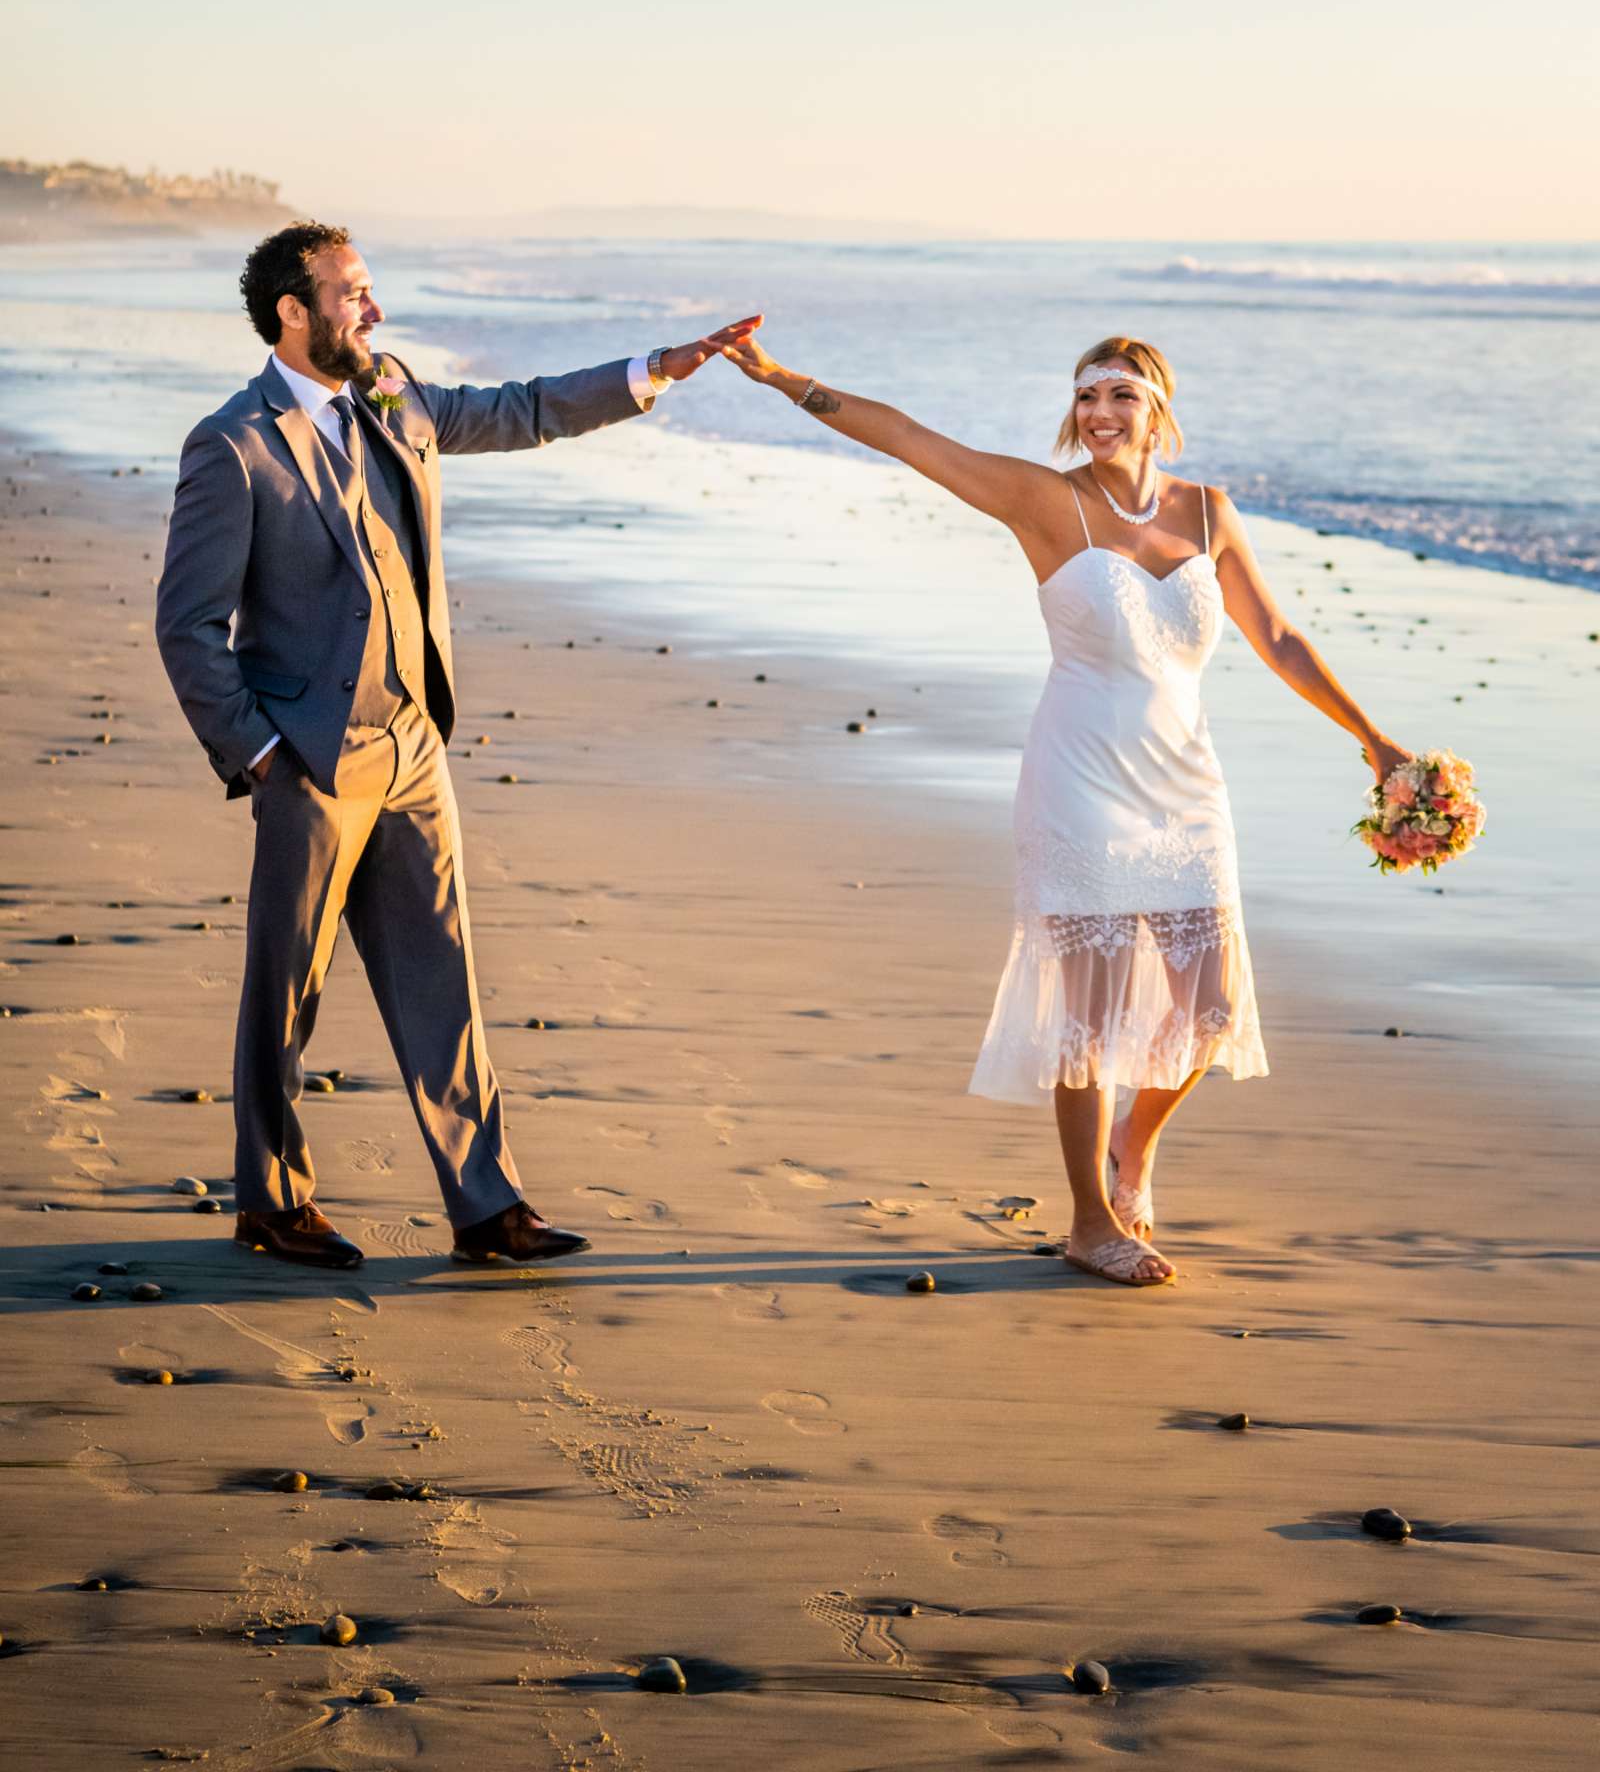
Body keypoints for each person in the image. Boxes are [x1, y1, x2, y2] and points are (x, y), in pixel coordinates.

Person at [722, 329, 1410, 1286]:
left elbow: (1280, 635)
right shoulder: (1046, 502)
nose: (1100, 416)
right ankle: (1090, 1221)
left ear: (1158, 410)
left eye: (1121, 398)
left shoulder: (1209, 512)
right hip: (1079, 779)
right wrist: (782, 378)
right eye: (1087, 398)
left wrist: (1372, 738)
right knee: (1085, 1016)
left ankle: (1133, 1144)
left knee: (1206, 1009)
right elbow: (911, 439)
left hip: (1186, 787)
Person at [155, 219, 759, 1271]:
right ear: (293, 312)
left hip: (411, 747)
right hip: (308, 760)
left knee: (446, 980)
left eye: (368, 289)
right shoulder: (234, 444)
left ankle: (487, 1208)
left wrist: (653, 370)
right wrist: (260, 758)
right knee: (284, 991)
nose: (371, 309)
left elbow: (519, 410)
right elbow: (187, 625)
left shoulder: (390, 389)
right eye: (350, 293)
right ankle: (273, 1196)